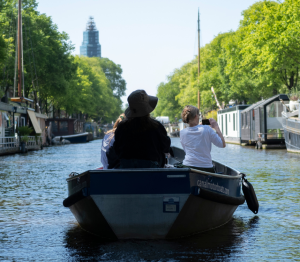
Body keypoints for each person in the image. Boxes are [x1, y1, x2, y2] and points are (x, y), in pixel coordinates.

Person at [108, 89, 171, 168]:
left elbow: (116, 149)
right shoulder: (157, 126)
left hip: (126, 167)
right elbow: (165, 147)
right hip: (151, 167)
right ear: (147, 108)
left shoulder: (121, 126)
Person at [180, 105, 226, 173]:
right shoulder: (207, 129)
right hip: (206, 168)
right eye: (199, 115)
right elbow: (222, 144)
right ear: (196, 116)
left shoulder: (182, 132)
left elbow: (186, 150)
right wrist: (216, 127)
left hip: (188, 166)